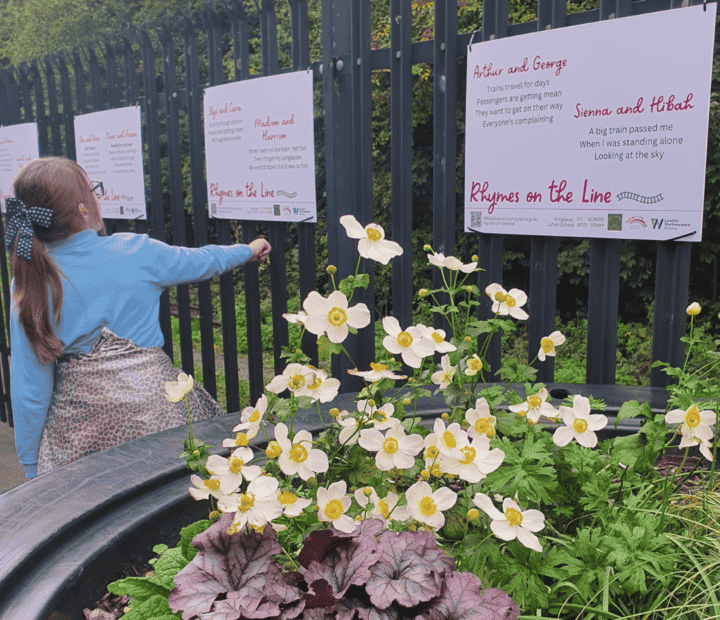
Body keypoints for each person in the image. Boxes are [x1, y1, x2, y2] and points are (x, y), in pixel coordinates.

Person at [7, 156, 271, 479]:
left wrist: (33, 467)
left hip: (81, 444)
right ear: (83, 210)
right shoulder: (135, 252)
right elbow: (201, 261)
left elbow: (30, 390)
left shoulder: (31, 283)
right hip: (156, 423)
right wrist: (247, 249)